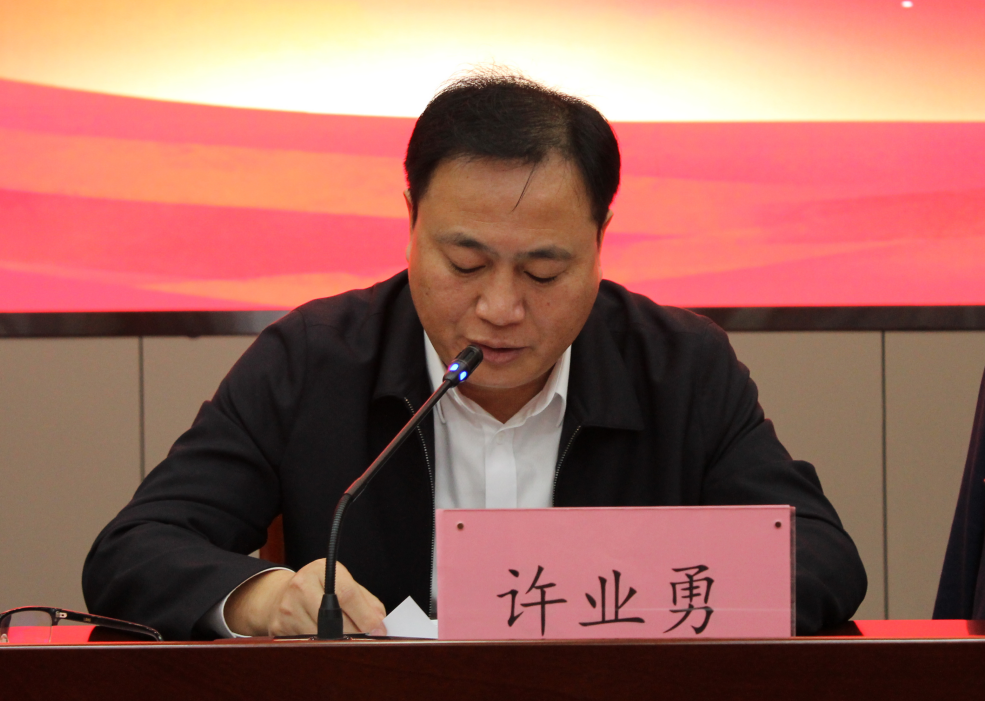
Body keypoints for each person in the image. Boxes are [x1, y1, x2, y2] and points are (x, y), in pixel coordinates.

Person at [83, 72, 867, 640]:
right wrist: (262, 597)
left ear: (600, 240)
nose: (499, 307)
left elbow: (822, 559)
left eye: (543, 271)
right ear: (410, 222)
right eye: (464, 263)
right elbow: (135, 549)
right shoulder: (312, 360)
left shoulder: (680, 368)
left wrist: (634, 604)